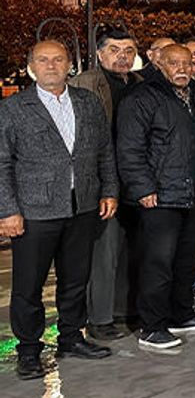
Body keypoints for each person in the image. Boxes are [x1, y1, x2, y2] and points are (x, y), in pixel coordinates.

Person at [1, 41, 119, 378]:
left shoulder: (88, 102)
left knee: (75, 278)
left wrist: (109, 189)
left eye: (58, 59)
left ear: (70, 65)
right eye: (43, 60)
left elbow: (104, 150)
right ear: (31, 67)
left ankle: (71, 338)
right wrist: (7, 211)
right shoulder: (13, 108)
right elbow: (2, 162)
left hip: (82, 205)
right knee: (28, 285)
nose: (51, 65)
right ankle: (28, 350)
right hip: (35, 210)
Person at [116, 44, 195, 350]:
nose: (182, 68)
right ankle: (152, 326)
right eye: (174, 63)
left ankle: (181, 314)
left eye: (186, 63)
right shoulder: (142, 97)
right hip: (159, 195)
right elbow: (130, 148)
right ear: (158, 63)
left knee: (187, 258)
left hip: (191, 190)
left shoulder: (194, 96)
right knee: (157, 262)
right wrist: (143, 188)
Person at [69, 28, 141, 341]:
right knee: (104, 253)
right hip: (102, 181)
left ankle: (123, 310)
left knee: (129, 249)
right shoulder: (86, 83)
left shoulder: (139, 83)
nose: (122, 56)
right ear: (100, 54)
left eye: (128, 50)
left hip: (134, 180)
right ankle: (99, 318)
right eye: (114, 50)